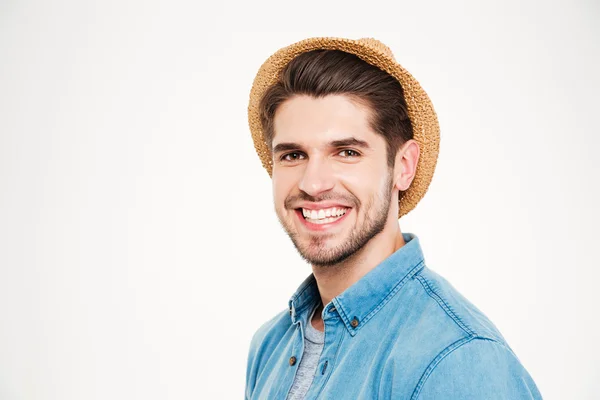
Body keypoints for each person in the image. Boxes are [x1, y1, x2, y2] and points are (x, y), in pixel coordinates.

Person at [244, 37, 542, 399]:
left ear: (403, 167)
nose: (313, 183)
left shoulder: (456, 358)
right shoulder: (271, 346)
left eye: (347, 152)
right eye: (293, 155)